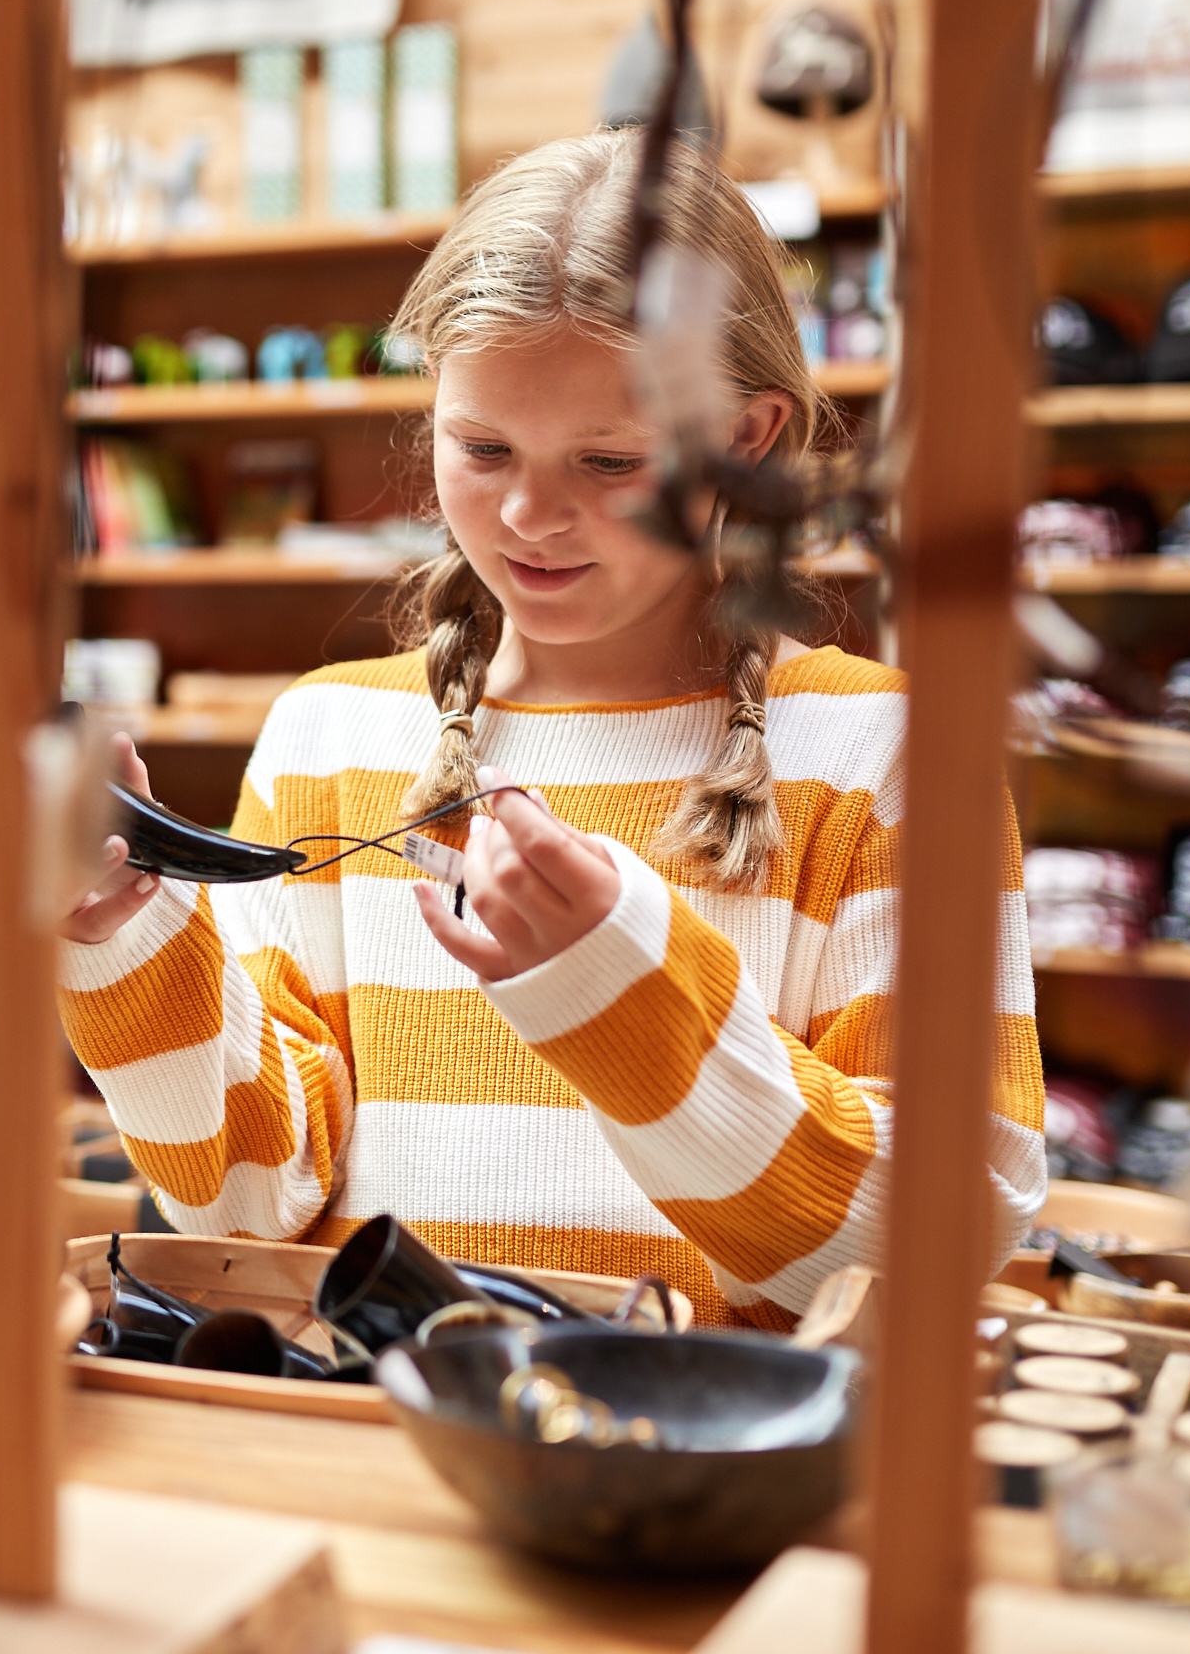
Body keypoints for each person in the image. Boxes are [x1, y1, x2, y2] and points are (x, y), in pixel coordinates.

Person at [58, 131, 1044, 1331]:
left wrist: (623, 994)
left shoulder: (889, 758)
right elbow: (250, 1208)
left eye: (609, 460)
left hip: (713, 1475)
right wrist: (124, 942)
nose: (530, 514)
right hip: (372, 1439)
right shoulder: (328, 736)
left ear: (751, 438)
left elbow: (944, 1237)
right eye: (482, 448)